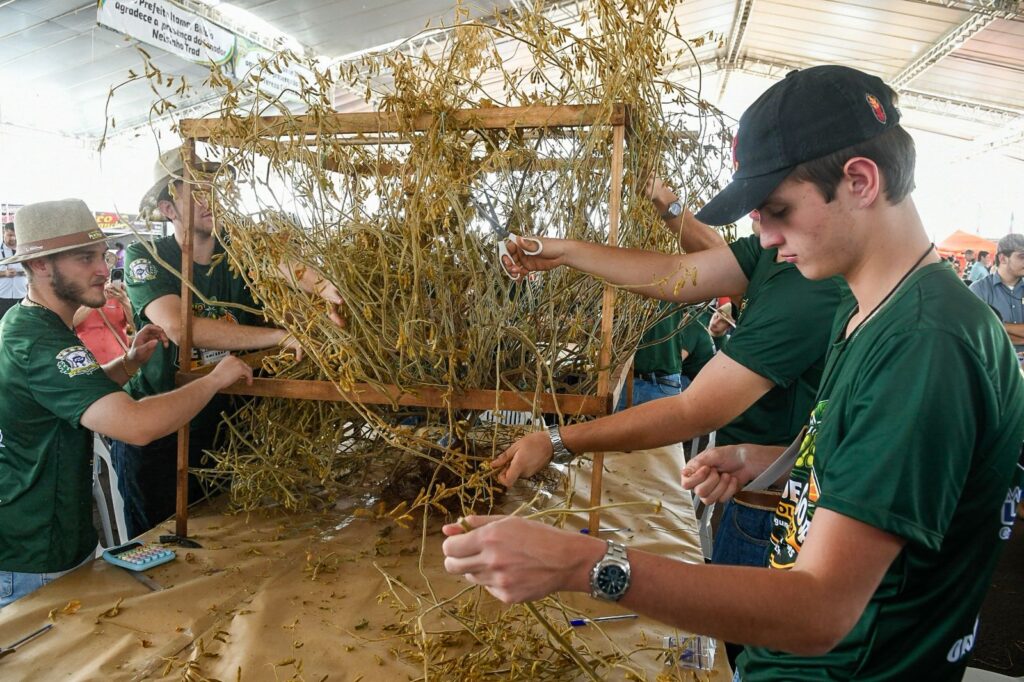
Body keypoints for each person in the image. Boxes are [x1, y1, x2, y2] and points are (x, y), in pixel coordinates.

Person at [442, 65, 1024, 680]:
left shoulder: (923, 343)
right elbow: (877, 453)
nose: (766, 238)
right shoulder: (872, 307)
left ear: (858, 181)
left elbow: (822, 609)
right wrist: (774, 458)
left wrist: (584, 565)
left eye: (778, 210)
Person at [0, 199, 254, 609]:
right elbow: (136, 426)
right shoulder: (38, 341)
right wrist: (215, 379)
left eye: (103, 255)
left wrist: (128, 363)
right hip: (33, 551)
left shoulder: (35, 322)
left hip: (54, 533)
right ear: (41, 266)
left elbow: (70, 398)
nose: (103, 269)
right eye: (85, 258)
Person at [111, 146, 345, 537]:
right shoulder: (148, 255)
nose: (212, 198)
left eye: (216, 187)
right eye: (197, 190)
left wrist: (328, 291)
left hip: (228, 427)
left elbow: (288, 266)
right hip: (163, 428)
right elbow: (179, 327)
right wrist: (278, 337)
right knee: (159, 542)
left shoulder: (237, 249)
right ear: (169, 209)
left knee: (224, 538)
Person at [970, 233, 1024, 360]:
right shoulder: (978, 290)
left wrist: (996, 325)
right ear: (1003, 258)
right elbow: (978, 335)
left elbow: (989, 331)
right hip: (996, 368)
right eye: (1022, 256)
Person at [73, 276, 134, 364]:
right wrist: (97, 299)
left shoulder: (119, 295)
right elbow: (72, 322)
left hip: (119, 362)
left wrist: (124, 300)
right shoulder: (79, 295)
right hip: (87, 362)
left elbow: (135, 325)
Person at [0, 222, 27, 318]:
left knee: (20, 324)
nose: (12, 238)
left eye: (15, 235)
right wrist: (4, 273)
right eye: (9, 235)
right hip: (2, 296)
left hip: (22, 295)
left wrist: (26, 272)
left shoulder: (25, 250)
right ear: (4, 232)